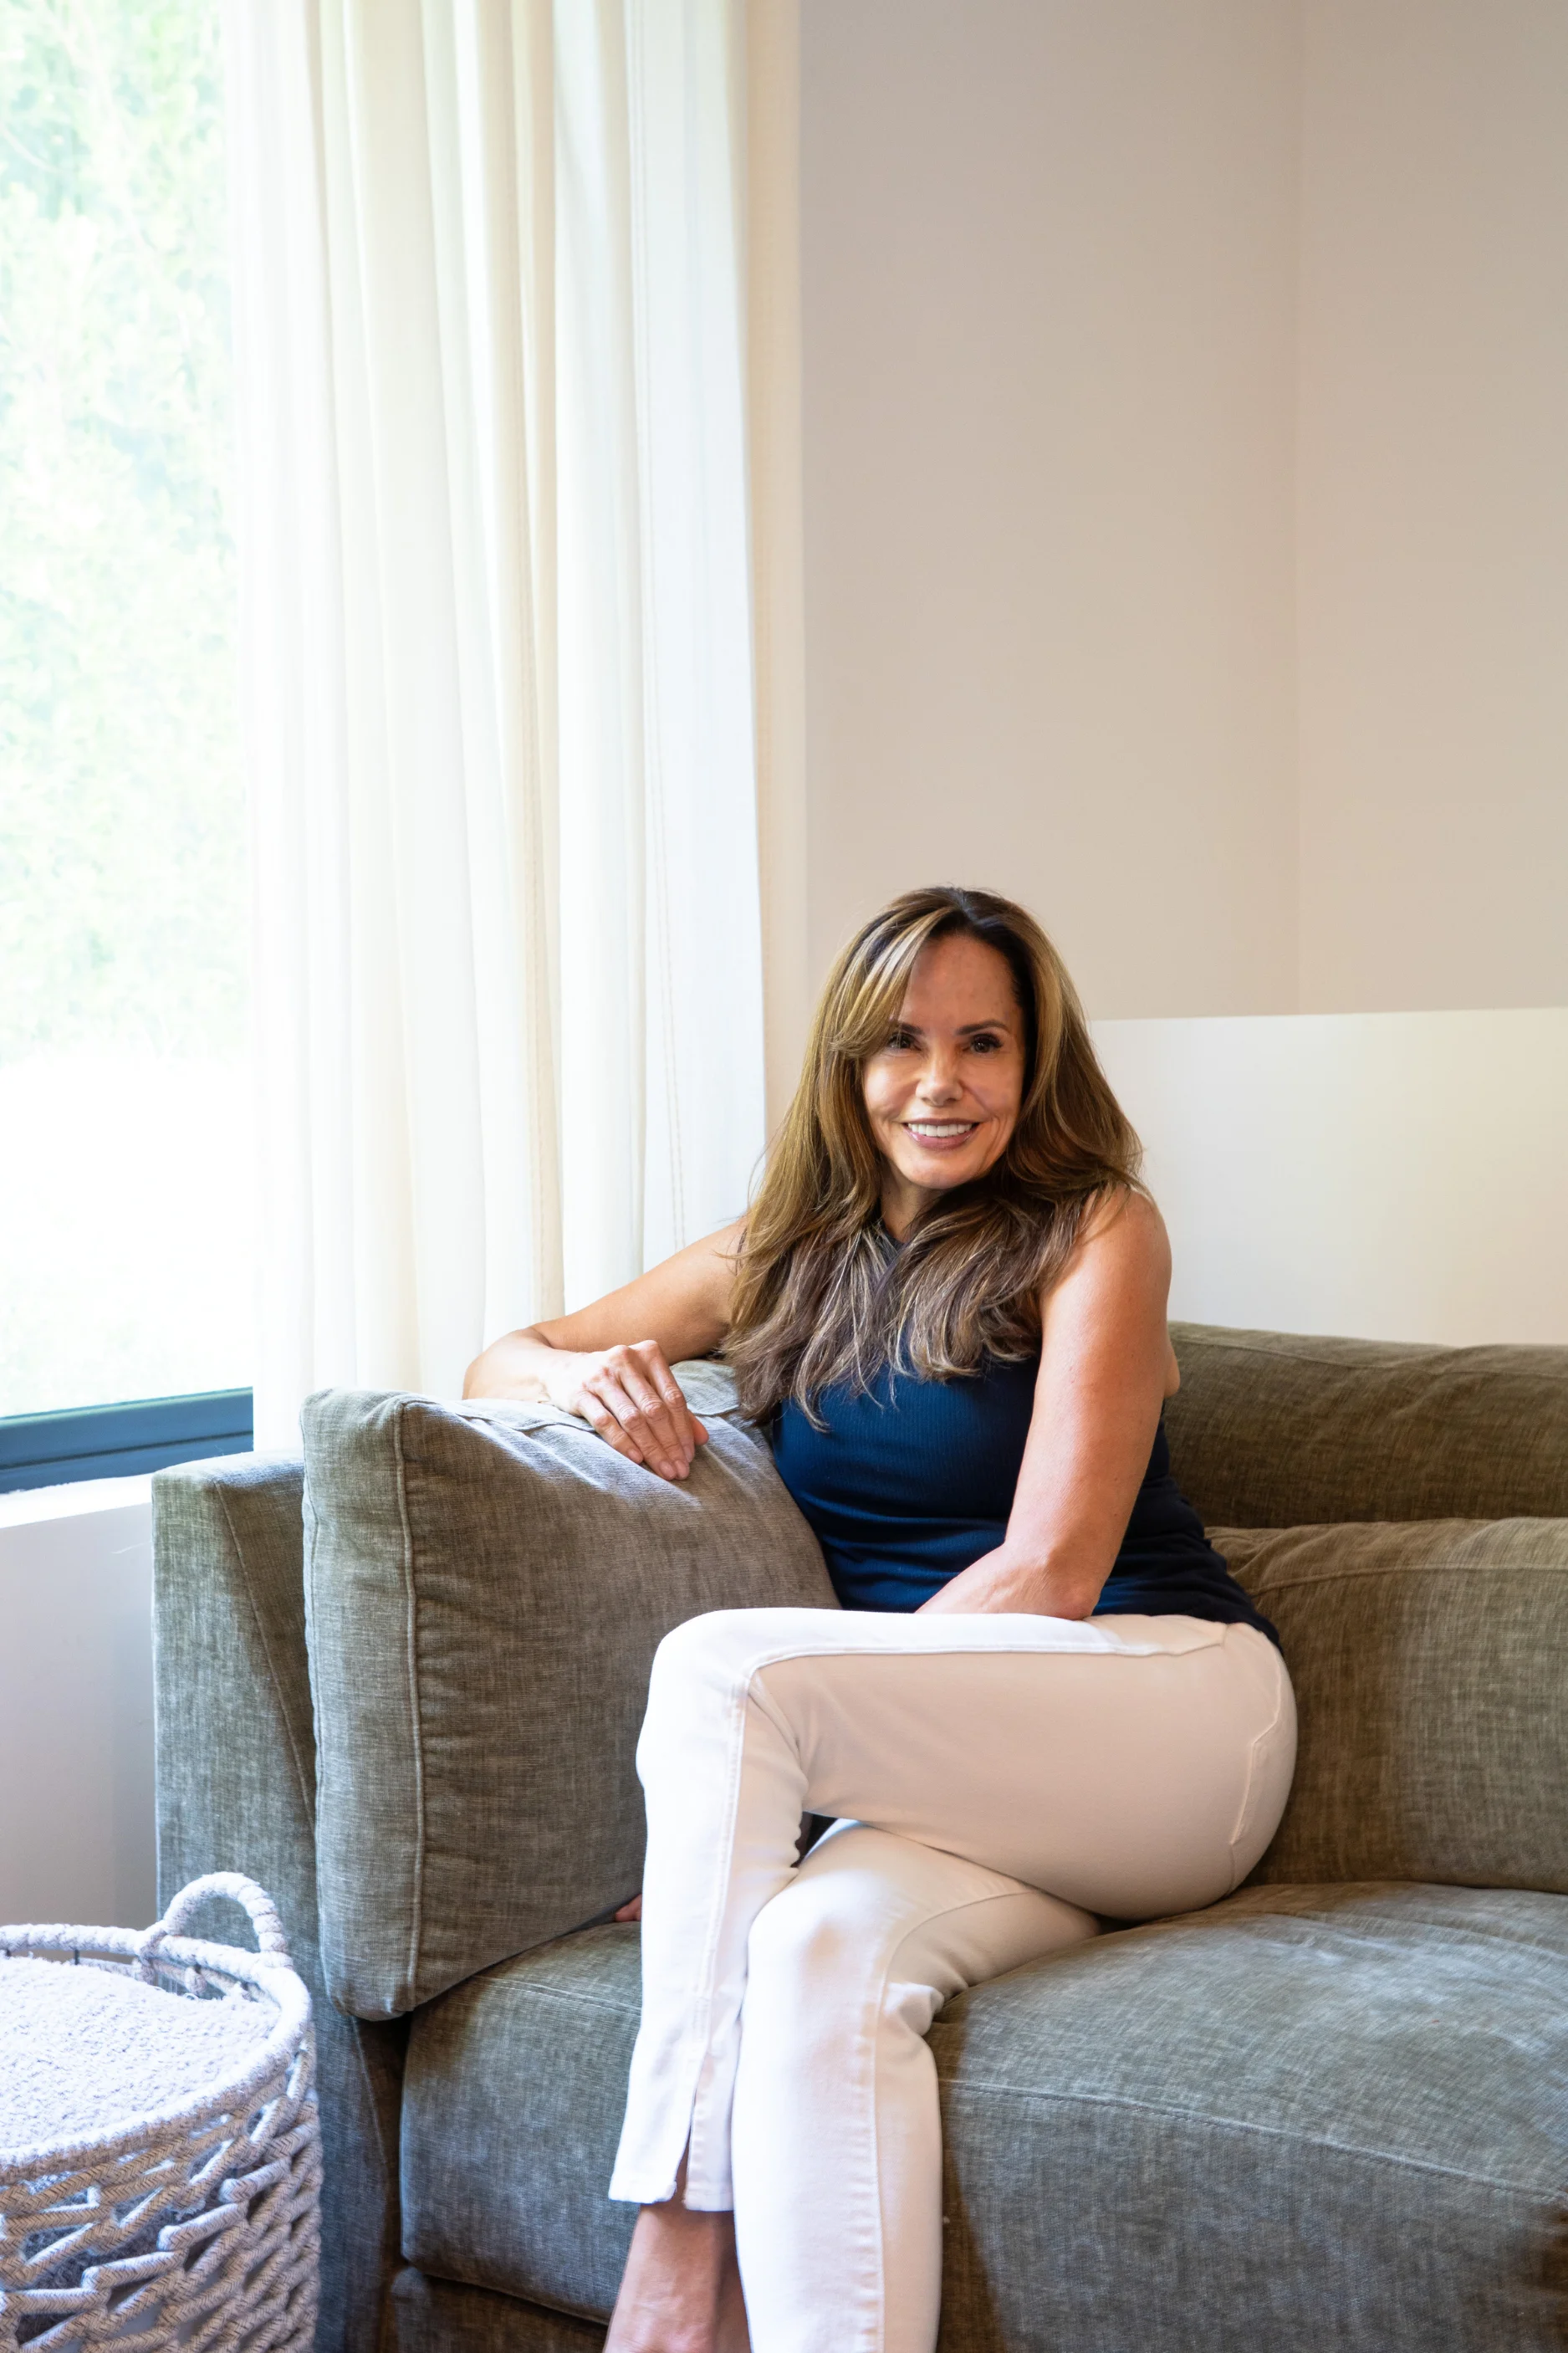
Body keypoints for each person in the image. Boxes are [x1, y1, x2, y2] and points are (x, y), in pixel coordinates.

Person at [464, 885, 1295, 2353]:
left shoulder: (1095, 1228)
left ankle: (666, 2270)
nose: (940, 1081)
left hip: (1166, 1713)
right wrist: (573, 1385)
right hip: (963, 1777)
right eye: (902, 1043)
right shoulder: (780, 1253)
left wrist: (791, 1800)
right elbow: (500, 1355)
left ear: (1036, 1063)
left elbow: (1049, 1573)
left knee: (727, 1671)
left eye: (983, 1041)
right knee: (810, 1962)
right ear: (847, 1065)